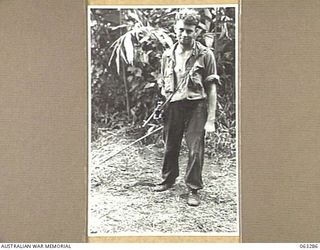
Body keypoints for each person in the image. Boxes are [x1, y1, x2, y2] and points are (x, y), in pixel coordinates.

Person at [154, 9, 220, 207]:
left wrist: (210, 120)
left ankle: (193, 188)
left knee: (195, 149)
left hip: (196, 107)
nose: (185, 34)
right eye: (181, 30)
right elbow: (163, 83)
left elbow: (212, 88)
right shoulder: (167, 55)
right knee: (170, 145)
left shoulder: (205, 55)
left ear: (196, 32)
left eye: (189, 31)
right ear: (175, 29)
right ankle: (168, 179)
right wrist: (163, 103)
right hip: (173, 106)